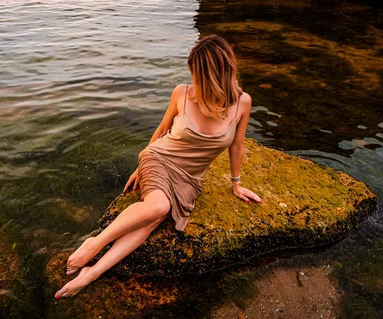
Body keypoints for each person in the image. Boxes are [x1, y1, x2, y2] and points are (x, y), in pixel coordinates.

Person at [55, 35, 263, 298]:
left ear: (214, 77)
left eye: (197, 75)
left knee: (152, 220)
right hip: (160, 159)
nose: (193, 81)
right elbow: (163, 129)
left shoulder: (242, 103)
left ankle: (93, 273)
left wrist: (236, 184)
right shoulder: (182, 93)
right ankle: (94, 244)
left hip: (190, 179)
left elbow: (237, 145)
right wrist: (141, 166)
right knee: (159, 207)